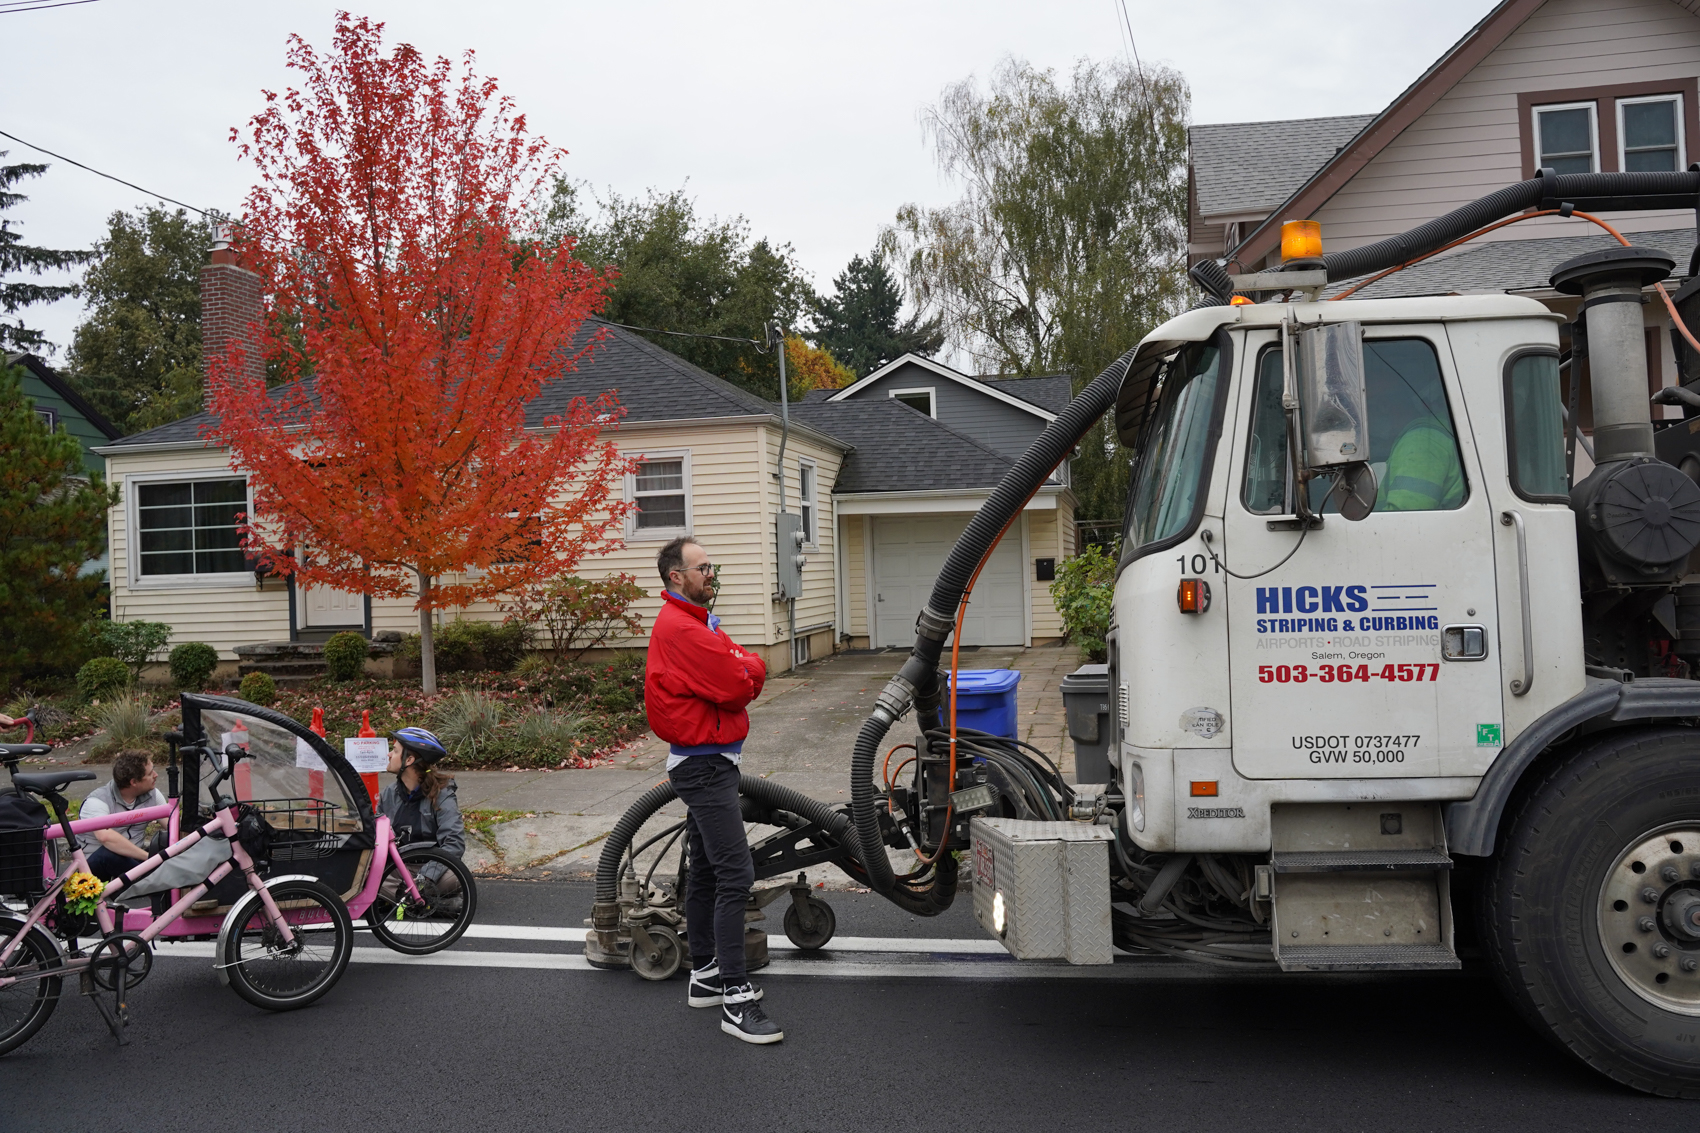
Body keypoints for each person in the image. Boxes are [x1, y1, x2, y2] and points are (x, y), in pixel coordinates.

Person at [645, 535, 781, 1044]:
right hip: (703, 767)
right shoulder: (684, 628)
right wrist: (750, 668)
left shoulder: (695, 623)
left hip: (707, 762)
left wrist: (744, 663)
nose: (711, 574)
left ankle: (704, 972)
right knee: (734, 874)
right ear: (676, 577)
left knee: (704, 869)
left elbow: (739, 665)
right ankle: (735, 997)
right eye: (702, 567)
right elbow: (738, 683)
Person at [377, 727, 466, 907]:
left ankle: (399, 900)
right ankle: (435, 905)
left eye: (394, 751)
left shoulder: (442, 795)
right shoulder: (388, 794)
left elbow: (454, 843)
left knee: (456, 877)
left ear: (409, 760)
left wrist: (425, 876)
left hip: (433, 869)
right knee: (363, 878)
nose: (388, 755)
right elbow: (377, 838)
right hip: (397, 870)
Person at [78, 750, 167, 881]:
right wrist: (150, 858)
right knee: (107, 854)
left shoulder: (153, 793)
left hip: (133, 859)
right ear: (134, 782)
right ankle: (154, 880)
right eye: (150, 773)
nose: (156, 775)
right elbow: (106, 838)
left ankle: (154, 879)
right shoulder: (97, 801)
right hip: (95, 869)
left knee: (167, 839)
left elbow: (173, 825)